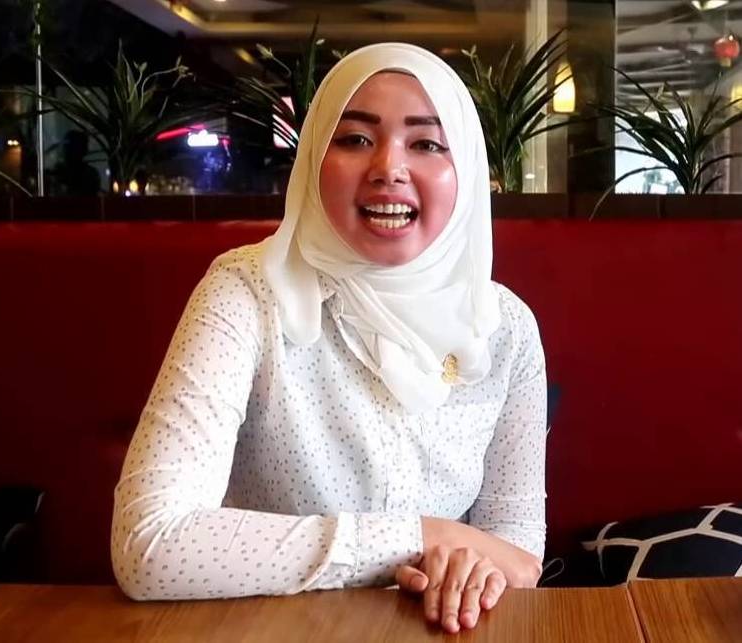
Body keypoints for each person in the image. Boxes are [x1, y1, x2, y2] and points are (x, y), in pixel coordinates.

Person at [112, 42, 546, 634]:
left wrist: (471, 569)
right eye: (356, 139)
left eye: (426, 144)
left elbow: (517, 554)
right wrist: (419, 538)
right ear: (315, 157)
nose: (389, 167)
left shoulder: (505, 328)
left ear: (465, 169)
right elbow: (149, 543)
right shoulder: (247, 292)